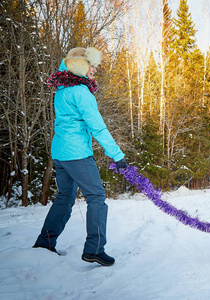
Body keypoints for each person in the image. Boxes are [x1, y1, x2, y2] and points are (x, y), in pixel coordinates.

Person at [33, 47, 127, 266]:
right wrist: (117, 155)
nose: (95, 70)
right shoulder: (81, 92)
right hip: (77, 154)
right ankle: (94, 249)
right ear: (80, 66)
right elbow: (98, 127)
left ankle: (45, 242)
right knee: (96, 196)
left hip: (60, 153)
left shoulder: (63, 90)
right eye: (92, 65)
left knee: (65, 197)